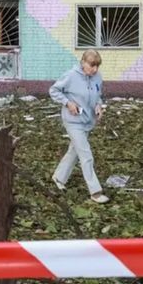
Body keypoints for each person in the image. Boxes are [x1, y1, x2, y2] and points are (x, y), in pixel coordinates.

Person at [49, 49, 109, 204]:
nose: (94, 69)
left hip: (88, 121)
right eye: (91, 65)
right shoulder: (70, 76)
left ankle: (58, 178)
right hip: (73, 120)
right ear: (83, 63)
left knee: (74, 151)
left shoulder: (97, 77)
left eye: (97, 66)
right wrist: (68, 103)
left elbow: (98, 95)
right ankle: (95, 191)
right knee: (86, 154)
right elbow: (53, 90)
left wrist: (98, 106)